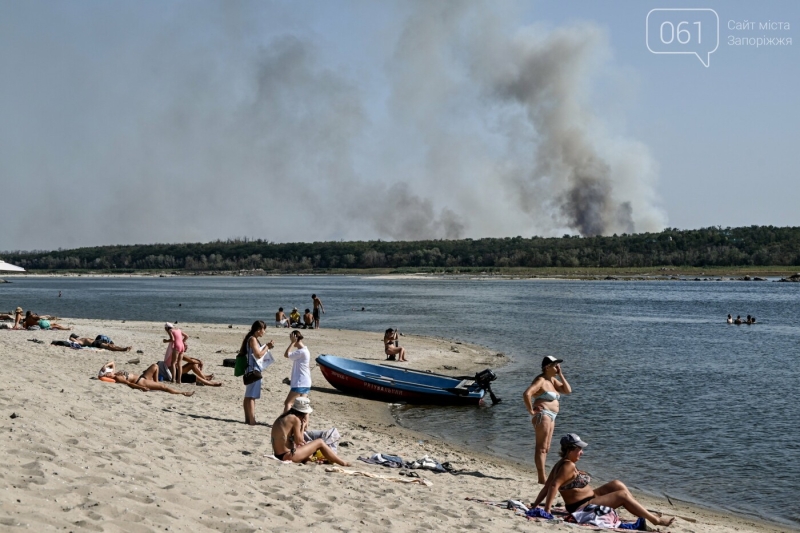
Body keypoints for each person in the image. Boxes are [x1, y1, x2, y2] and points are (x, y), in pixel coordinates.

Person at [531, 434, 674, 527]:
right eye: (579, 449)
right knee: (622, 495)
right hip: (582, 506)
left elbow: (547, 486)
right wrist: (547, 510)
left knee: (617, 484)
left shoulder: (561, 463)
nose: (582, 452)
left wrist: (535, 505)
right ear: (571, 449)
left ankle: (643, 512)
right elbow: (553, 486)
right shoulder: (567, 466)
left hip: (591, 497)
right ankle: (655, 520)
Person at [522, 355, 572, 484]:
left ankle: (543, 476)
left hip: (552, 415)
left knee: (547, 448)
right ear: (547, 367)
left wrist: (561, 375)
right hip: (543, 414)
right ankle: (541, 478)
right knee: (541, 447)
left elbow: (568, 390)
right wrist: (531, 411)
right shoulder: (541, 380)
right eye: (555, 365)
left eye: (558, 365)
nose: (558, 367)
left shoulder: (552, 381)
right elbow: (527, 393)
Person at [271, 397, 350, 465]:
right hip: (287, 455)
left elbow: (296, 440)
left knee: (309, 451)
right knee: (320, 442)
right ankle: (342, 462)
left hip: (279, 454)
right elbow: (299, 441)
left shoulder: (285, 416)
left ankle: (315, 460)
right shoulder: (295, 419)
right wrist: (302, 426)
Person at [239, 320, 274, 425]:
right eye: (264, 329)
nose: (264, 332)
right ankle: (252, 420)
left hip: (250, 369)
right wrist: (267, 346)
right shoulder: (253, 339)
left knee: (248, 396)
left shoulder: (250, 338)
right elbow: (258, 354)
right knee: (251, 396)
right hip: (253, 370)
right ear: (259, 330)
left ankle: (248, 419)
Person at [97, 361, 194, 396]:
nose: (109, 372)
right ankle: (182, 393)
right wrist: (141, 388)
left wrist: (105, 366)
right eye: (108, 373)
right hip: (141, 382)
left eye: (108, 372)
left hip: (142, 377)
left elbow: (112, 362)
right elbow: (129, 384)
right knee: (164, 386)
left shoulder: (114, 373)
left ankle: (156, 383)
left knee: (155, 366)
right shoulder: (118, 378)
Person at [283, 330, 311, 412]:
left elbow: (286, 355)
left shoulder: (301, 352)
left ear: (295, 338)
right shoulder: (304, 350)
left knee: (288, 403)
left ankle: (286, 423)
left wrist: (292, 343)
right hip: (306, 382)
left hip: (300, 382)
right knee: (302, 407)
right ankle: (303, 425)